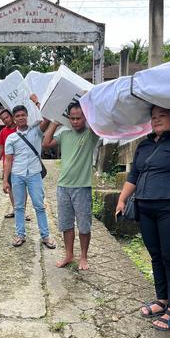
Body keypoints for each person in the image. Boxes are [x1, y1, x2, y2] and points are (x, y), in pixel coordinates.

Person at [115, 105, 170, 331]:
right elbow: (134, 175)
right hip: (146, 207)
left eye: (161, 116)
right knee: (156, 255)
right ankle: (162, 300)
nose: (156, 120)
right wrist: (122, 199)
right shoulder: (144, 145)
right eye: (153, 117)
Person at [42, 101, 99, 270]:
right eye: (72, 118)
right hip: (63, 187)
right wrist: (56, 121)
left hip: (82, 187)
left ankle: (83, 257)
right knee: (66, 224)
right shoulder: (64, 133)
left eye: (79, 118)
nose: (75, 121)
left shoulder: (91, 134)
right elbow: (46, 144)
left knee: (83, 225)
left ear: (85, 118)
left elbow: (100, 122)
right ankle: (68, 255)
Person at [3, 104, 56, 249]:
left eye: (23, 115)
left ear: (27, 116)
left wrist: (36, 103)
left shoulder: (36, 131)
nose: (20, 118)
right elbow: (8, 160)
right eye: (17, 116)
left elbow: (46, 117)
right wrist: (5, 180)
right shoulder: (11, 138)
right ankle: (20, 235)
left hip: (34, 174)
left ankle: (45, 236)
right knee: (19, 207)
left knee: (39, 205)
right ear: (14, 119)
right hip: (17, 174)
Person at [0, 108, 31, 221]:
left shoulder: (20, 129)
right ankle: (15, 209)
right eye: (3, 119)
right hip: (8, 164)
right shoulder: (3, 132)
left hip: (22, 163)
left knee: (22, 187)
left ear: (11, 116)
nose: (5, 120)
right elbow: (1, 146)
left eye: (7, 117)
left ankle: (23, 211)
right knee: (10, 187)